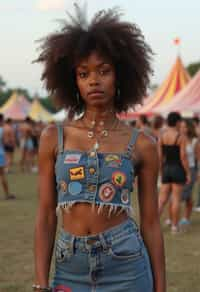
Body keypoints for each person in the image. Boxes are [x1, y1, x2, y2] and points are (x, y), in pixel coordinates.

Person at [34, 6, 166, 292]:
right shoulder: (52, 137)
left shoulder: (143, 143)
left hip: (127, 265)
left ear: (120, 76)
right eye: (84, 74)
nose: (94, 80)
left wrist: (161, 286)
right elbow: (45, 215)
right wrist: (41, 284)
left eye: (103, 71)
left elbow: (152, 223)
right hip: (69, 268)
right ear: (74, 82)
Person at [158, 112, 190, 233]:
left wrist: (161, 172)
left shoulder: (162, 136)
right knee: (176, 199)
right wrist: (188, 173)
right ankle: (174, 227)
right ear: (177, 122)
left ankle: (152, 225)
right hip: (177, 169)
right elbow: (183, 156)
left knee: (161, 200)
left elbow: (160, 156)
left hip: (166, 169)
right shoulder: (180, 137)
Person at [0, 114, 15, 199]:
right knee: (2, 175)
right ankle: (7, 194)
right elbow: (5, 142)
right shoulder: (3, 130)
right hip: (0, 153)